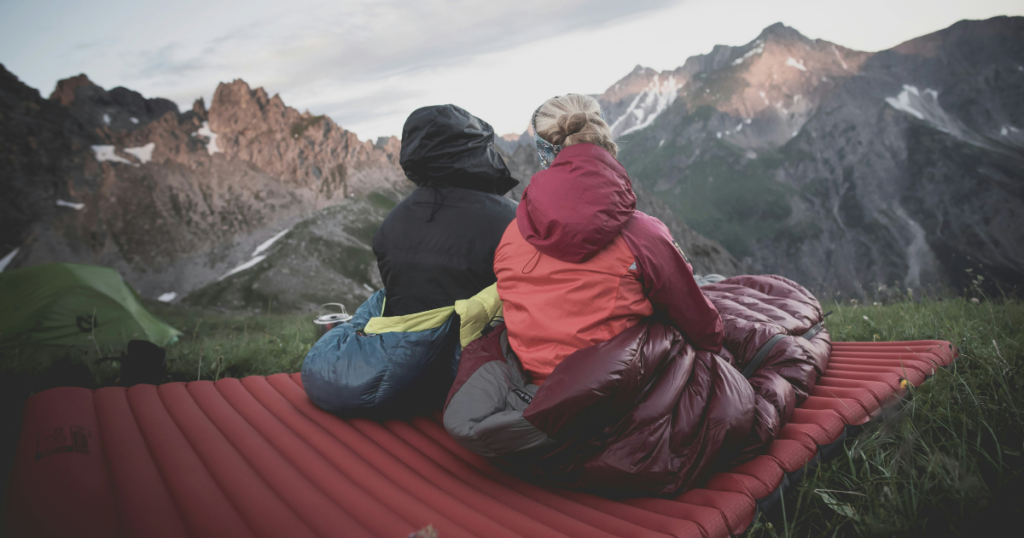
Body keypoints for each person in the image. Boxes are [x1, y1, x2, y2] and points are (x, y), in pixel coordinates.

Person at [494, 94, 724, 384]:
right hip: (618, 389)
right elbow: (704, 330)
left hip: (537, 385)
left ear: (544, 151)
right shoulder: (642, 234)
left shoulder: (512, 234)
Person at [374, 104, 518, 317]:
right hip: (482, 337)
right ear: (477, 152)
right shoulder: (512, 219)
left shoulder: (390, 224)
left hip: (406, 338)